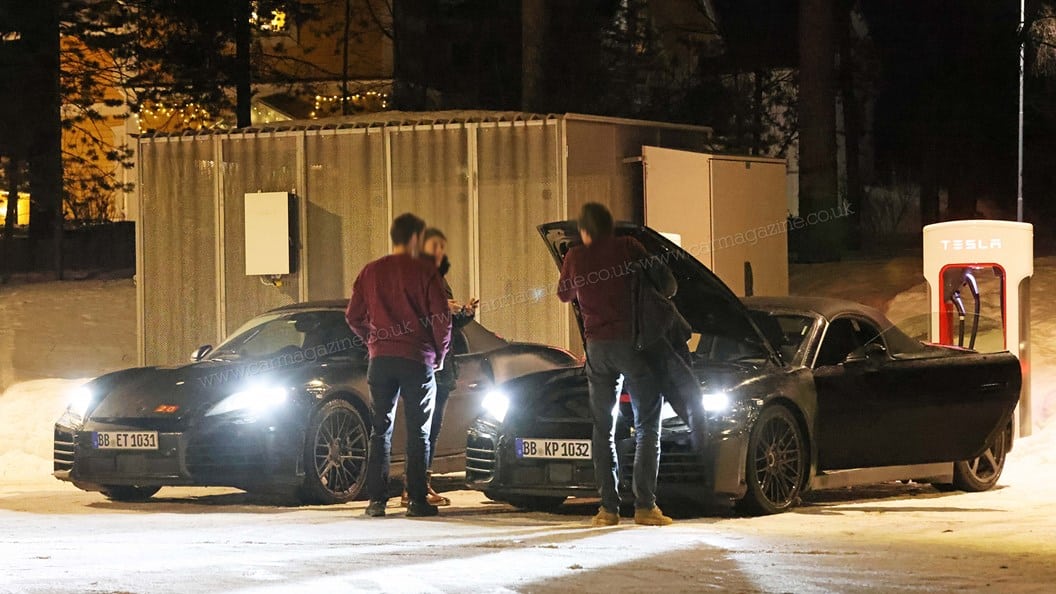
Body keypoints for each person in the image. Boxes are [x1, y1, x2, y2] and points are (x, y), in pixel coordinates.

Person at [557, 202, 673, 527]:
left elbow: (564, 295)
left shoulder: (575, 256)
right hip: (633, 345)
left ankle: (608, 509)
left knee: (602, 427)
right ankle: (646, 507)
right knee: (648, 425)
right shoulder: (628, 247)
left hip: (597, 348)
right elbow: (666, 284)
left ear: (584, 229)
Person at [345, 213, 452, 518]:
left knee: (380, 429)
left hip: (380, 361)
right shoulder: (426, 271)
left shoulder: (370, 272)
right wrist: (439, 355)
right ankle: (417, 501)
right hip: (417, 360)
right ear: (417, 239)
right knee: (418, 431)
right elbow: (441, 320)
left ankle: (376, 502)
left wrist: (373, 340)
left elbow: (353, 316)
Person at [400, 227, 478, 507]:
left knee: (431, 429)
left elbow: (445, 322)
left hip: (443, 367)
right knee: (422, 427)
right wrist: (444, 306)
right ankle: (413, 487)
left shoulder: (439, 281)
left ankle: (422, 483)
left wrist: (464, 314)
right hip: (424, 364)